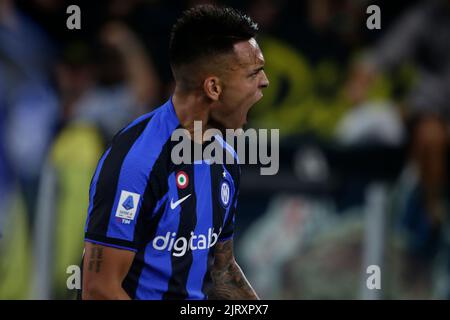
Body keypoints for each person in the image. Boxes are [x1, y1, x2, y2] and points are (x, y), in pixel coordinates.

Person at [80, 5, 269, 300]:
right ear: (213, 87)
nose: (264, 81)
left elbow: (222, 269)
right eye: (253, 73)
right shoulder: (137, 161)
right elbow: (99, 290)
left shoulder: (225, 157)